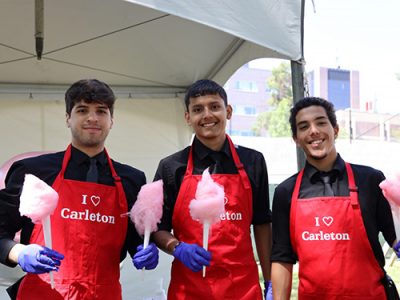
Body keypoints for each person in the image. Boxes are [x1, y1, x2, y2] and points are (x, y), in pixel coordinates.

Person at [0, 79, 159, 299]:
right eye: (82, 110)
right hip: (45, 292)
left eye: (101, 111)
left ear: (111, 120)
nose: (92, 118)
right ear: (68, 118)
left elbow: (135, 240)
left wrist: (145, 250)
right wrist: (18, 252)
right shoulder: (34, 171)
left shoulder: (131, 179)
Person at [152, 79, 273, 299]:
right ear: (188, 117)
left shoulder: (253, 161)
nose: (207, 115)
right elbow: (157, 228)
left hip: (242, 287)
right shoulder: (171, 167)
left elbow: (262, 223)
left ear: (228, 111)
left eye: (214, 107)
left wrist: (270, 280)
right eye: (198, 109)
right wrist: (177, 248)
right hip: (188, 288)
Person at [271, 96, 399, 299]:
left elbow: (394, 237)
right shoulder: (285, 192)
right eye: (303, 127)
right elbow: (281, 256)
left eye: (321, 122)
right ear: (296, 139)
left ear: (335, 130)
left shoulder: (370, 180)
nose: (313, 131)